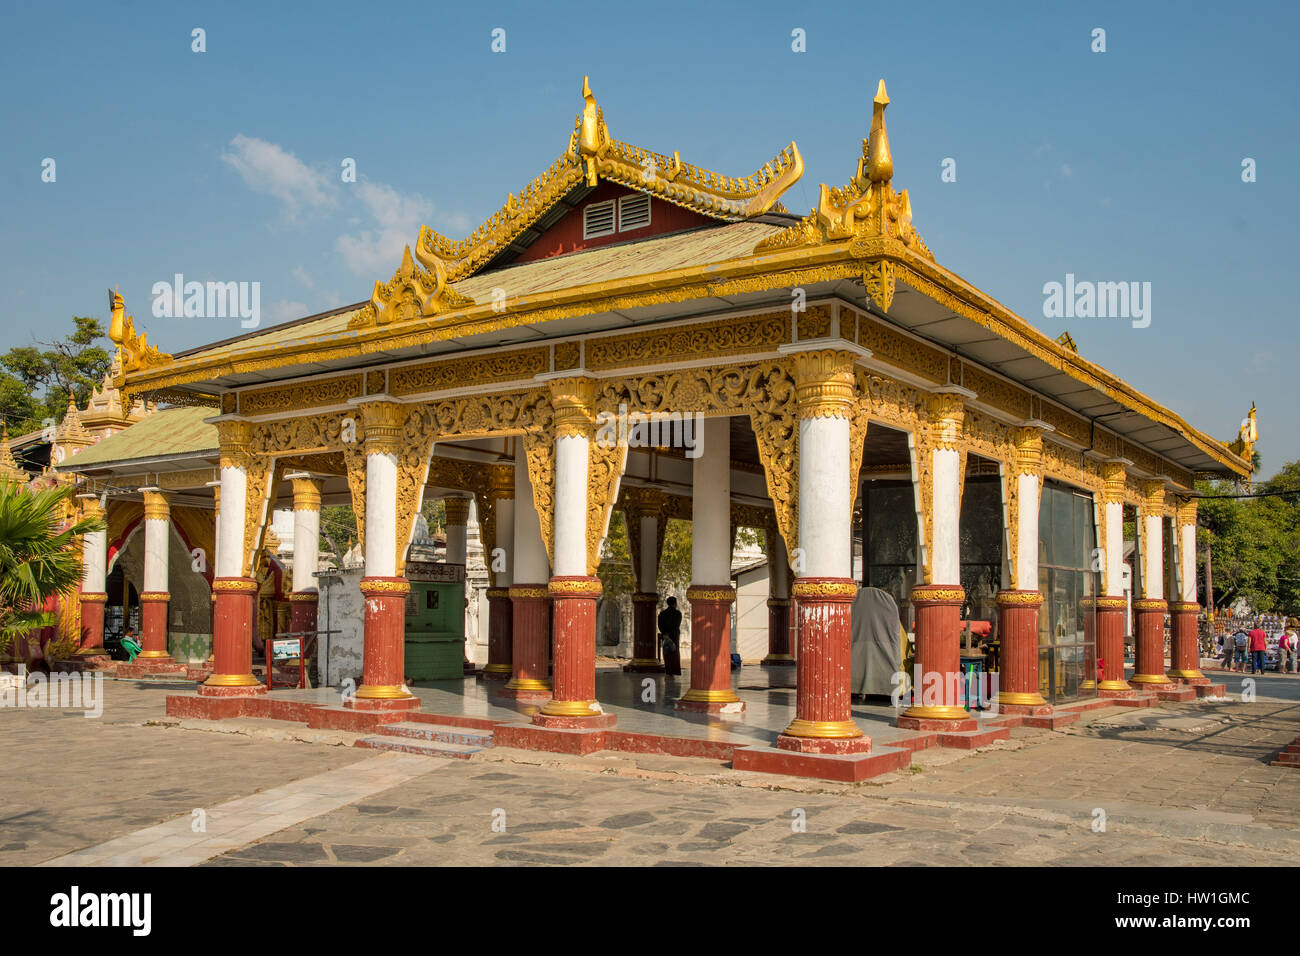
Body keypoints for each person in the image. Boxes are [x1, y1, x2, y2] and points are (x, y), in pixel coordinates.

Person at [657, 597, 683, 677]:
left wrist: (664, 633)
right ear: (675, 603)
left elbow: (660, 625)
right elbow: (676, 625)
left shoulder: (662, 613)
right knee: (675, 653)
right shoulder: (678, 613)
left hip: (665, 636)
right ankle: (674, 671)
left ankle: (668, 672)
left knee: (667, 654)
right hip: (674, 636)